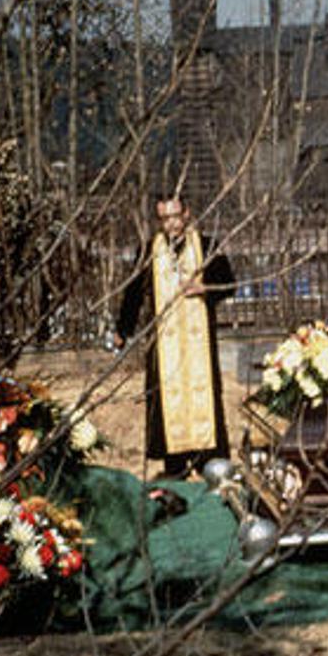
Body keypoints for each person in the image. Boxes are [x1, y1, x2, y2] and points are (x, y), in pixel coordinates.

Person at [115, 196, 235, 478]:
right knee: (168, 403)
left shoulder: (207, 246)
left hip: (199, 345)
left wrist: (204, 288)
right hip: (165, 345)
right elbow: (133, 293)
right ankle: (176, 468)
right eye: (164, 219)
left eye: (175, 216)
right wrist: (122, 329)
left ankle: (209, 465)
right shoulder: (150, 250)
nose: (171, 224)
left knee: (205, 398)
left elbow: (230, 284)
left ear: (186, 213)